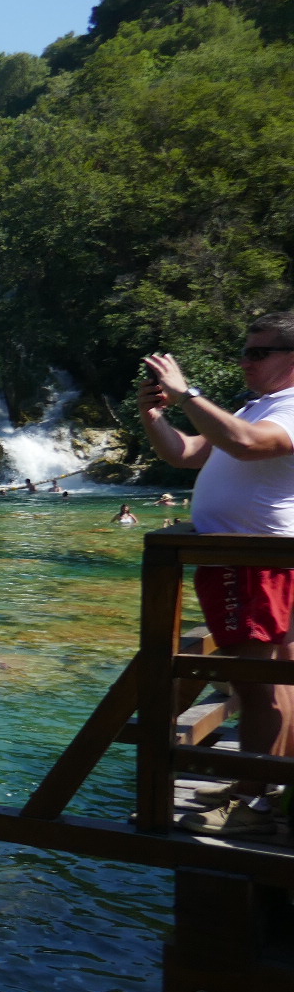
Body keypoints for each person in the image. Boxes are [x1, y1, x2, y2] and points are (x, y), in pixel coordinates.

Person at [140, 333, 294, 835]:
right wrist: (155, 417)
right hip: (242, 562)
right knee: (269, 678)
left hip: (254, 562)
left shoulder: (290, 407)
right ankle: (265, 786)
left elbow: (249, 447)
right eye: (243, 349)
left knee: (256, 686)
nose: (245, 360)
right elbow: (186, 453)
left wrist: (186, 393)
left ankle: (252, 801)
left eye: (257, 352)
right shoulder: (258, 406)